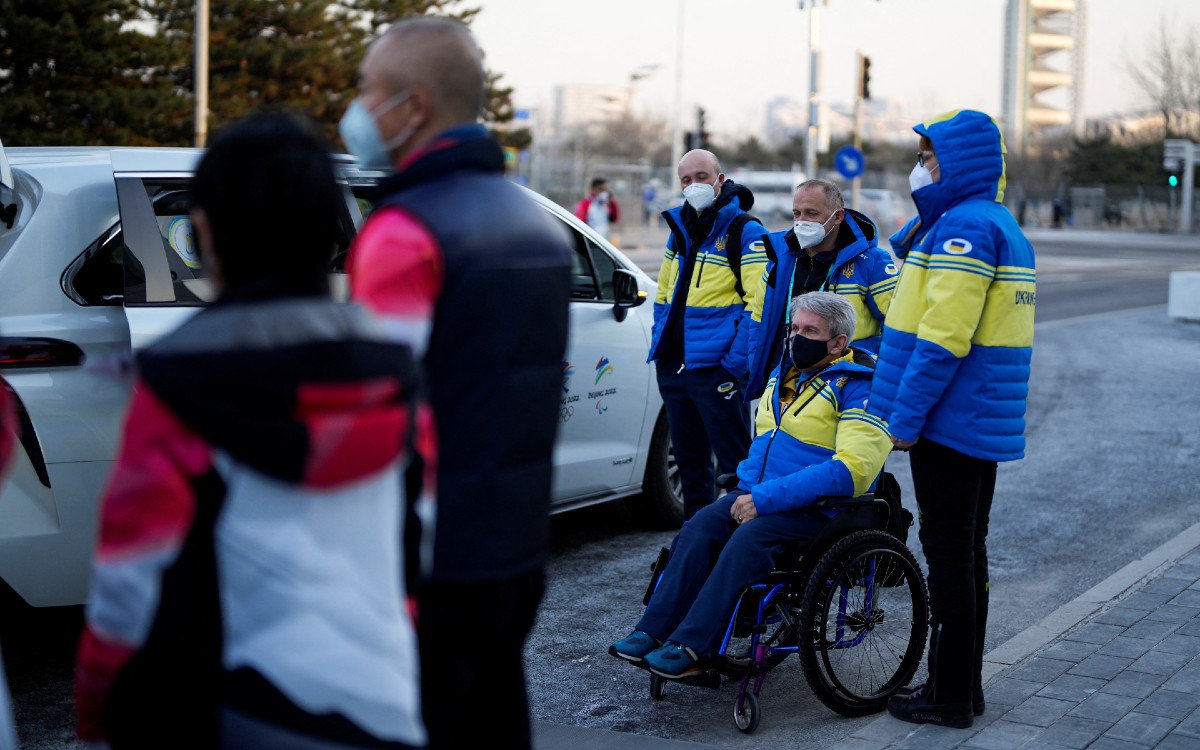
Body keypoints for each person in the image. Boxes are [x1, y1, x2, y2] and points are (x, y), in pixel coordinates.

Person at [73, 113, 425, 748]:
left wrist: (99, 712)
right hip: (388, 705)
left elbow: (129, 585)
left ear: (203, 230)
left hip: (238, 712)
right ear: (331, 232)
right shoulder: (399, 377)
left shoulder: (182, 382)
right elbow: (422, 554)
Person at [341, 18, 571, 750]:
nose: (356, 108)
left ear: (411, 107)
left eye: (367, 91)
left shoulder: (406, 231)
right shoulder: (532, 223)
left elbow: (375, 417)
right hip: (516, 543)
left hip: (430, 562)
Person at [611, 292, 892, 676]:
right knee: (699, 527)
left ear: (839, 342)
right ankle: (653, 631)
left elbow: (853, 471)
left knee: (749, 539)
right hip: (759, 494)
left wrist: (764, 497)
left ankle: (694, 648)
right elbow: (766, 444)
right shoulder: (783, 375)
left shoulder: (860, 387)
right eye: (794, 328)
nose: (796, 338)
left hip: (821, 508)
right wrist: (749, 488)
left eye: (810, 330)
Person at [872, 109, 1036, 729]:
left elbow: (943, 339)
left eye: (930, 156)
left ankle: (947, 697)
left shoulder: (964, 229)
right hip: (975, 419)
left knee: (949, 556)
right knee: (967, 552)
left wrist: (907, 417)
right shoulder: (992, 223)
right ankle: (963, 686)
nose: (922, 167)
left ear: (958, 161)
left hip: (949, 420)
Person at [648, 148, 768, 521]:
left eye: (702, 177)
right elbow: (664, 296)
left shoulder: (745, 231)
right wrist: (661, 345)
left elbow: (760, 305)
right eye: (686, 180)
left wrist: (732, 365)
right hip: (676, 368)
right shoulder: (679, 230)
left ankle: (736, 550)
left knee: (735, 469)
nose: (694, 185)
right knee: (690, 465)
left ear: (720, 179)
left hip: (718, 371)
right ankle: (695, 548)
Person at [746, 178, 898, 401]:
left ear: (837, 216)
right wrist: (757, 364)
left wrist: (870, 371)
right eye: (796, 213)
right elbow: (759, 319)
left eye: (811, 213)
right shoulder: (781, 259)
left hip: (843, 388)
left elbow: (897, 324)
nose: (801, 221)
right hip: (783, 383)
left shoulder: (872, 262)